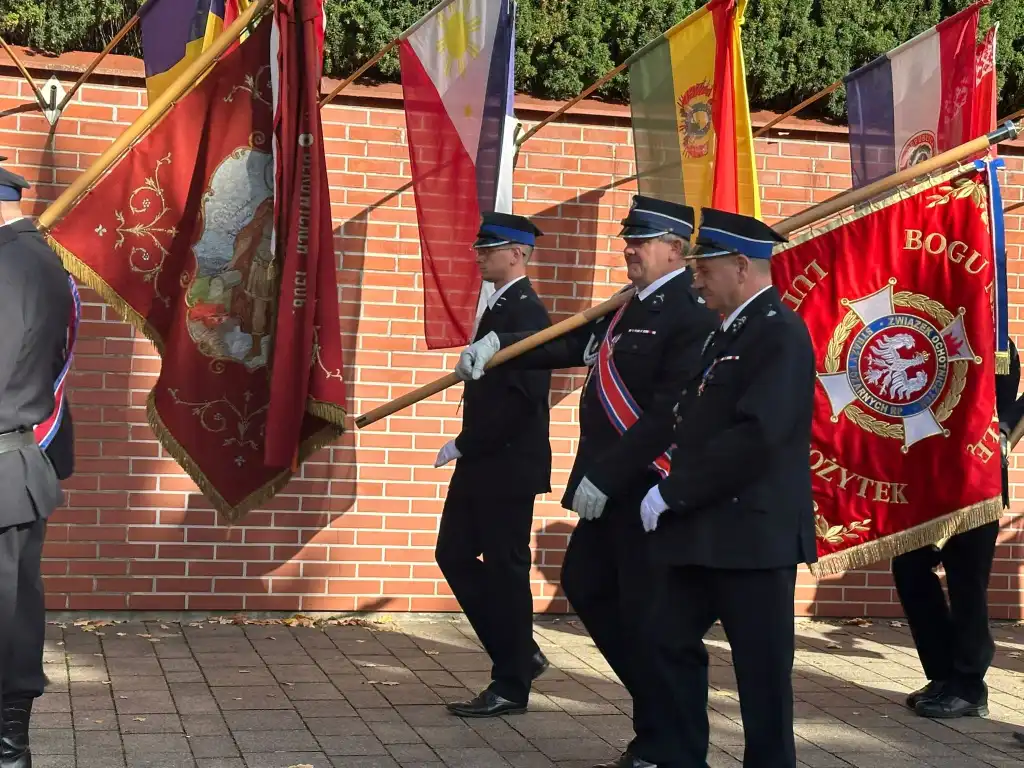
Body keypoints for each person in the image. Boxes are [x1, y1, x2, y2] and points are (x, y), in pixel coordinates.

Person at [455, 195, 718, 767]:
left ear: (675, 250)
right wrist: (500, 348)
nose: (629, 247)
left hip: (646, 491)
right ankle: (655, 721)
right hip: (609, 489)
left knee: (654, 621)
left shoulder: (689, 315)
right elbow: (571, 344)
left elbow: (666, 413)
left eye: (641, 240)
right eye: (629, 238)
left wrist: (608, 474)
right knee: (590, 586)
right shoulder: (628, 306)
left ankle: (673, 745)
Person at [638, 207, 816, 768]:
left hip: (752, 534)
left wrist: (675, 490)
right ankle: (680, 756)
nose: (695, 279)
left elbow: (758, 435)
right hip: (707, 530)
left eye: (704, 268)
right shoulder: (729, 332)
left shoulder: (779, 333)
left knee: (761, 677)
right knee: (665, 641)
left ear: (742, 266)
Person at [436, 212, 554, 718]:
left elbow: (523, 400)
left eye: (492, 248)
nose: (480, 255)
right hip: (485, 459)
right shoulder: (500, 307)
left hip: (505, 463)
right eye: (480, 248)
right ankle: (519, 651)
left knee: (506, 569)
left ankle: (511, 680)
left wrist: (468, 441)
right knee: (454, 553)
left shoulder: (526, 313)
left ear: (519, 254)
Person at [892, 337, 1024, 719]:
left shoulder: (997, 342)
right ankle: (944, 674)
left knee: (966, 578)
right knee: (909, 567)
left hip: (977, 475)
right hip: (931, 474)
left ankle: (969, 686)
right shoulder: (925, 329)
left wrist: (1005, 434)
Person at [0, 158, 76, 768]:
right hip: (14, 471)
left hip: (3, 469)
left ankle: (8, 753)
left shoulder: (13, 268)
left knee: (8, 629)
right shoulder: (36, 260)